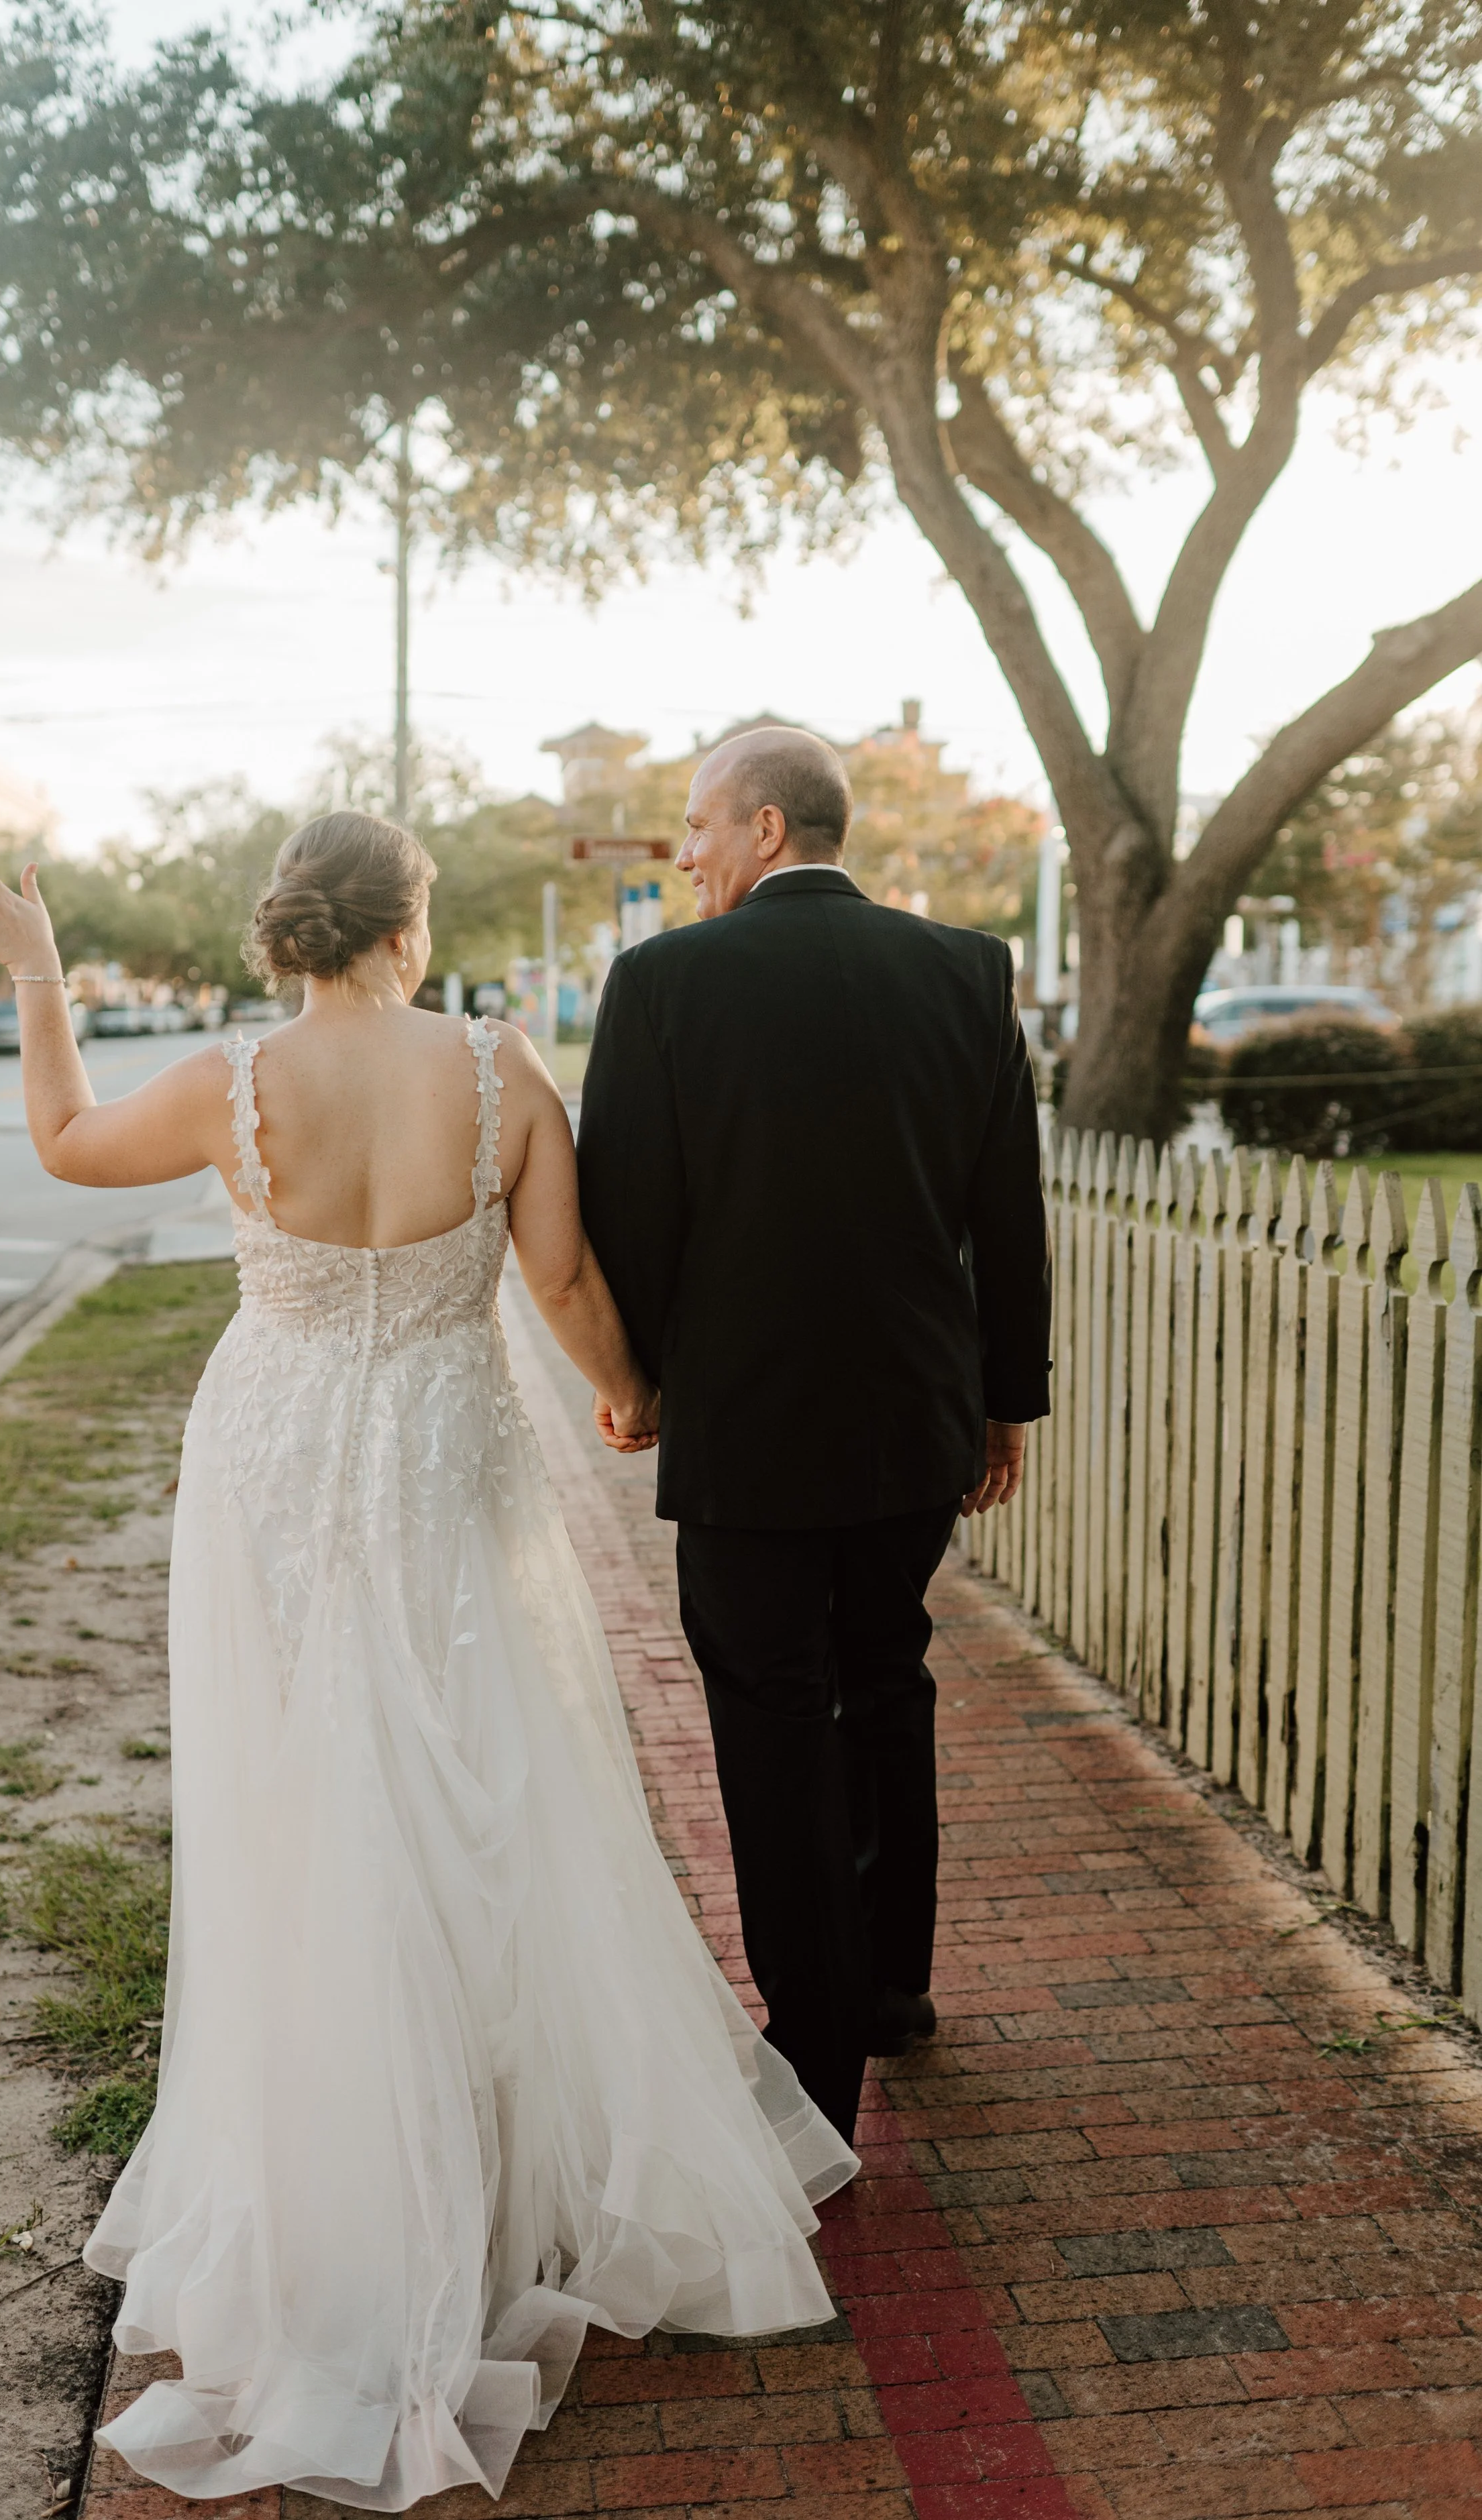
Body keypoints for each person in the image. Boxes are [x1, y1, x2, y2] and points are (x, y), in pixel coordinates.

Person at [0, 818, 856, 2515]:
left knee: (309, 1788)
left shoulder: (232, 1079)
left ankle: (351, 2175)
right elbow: (561, 1276)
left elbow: (62, 1139)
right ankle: (486, 2155)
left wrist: (40, 977)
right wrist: (631, 1393)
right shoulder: (500, 1070)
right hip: (442, 1453)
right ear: (409, 924)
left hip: (275, 1458)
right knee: (482, 1772)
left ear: (292, 928)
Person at [577, 727, 1052, 2145]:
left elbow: (627, 1213)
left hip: (747, 1430)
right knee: (883, 1676)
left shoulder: (662, 984)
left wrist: (637, 1380)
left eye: (697, 826)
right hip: (912, 1417)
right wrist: (1002, 1398)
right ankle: (893, 1987)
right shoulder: (965, 971)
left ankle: (814, 2049)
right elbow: (1005, 1214)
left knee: (770, 1720)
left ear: (767, 827)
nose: (684, 853)